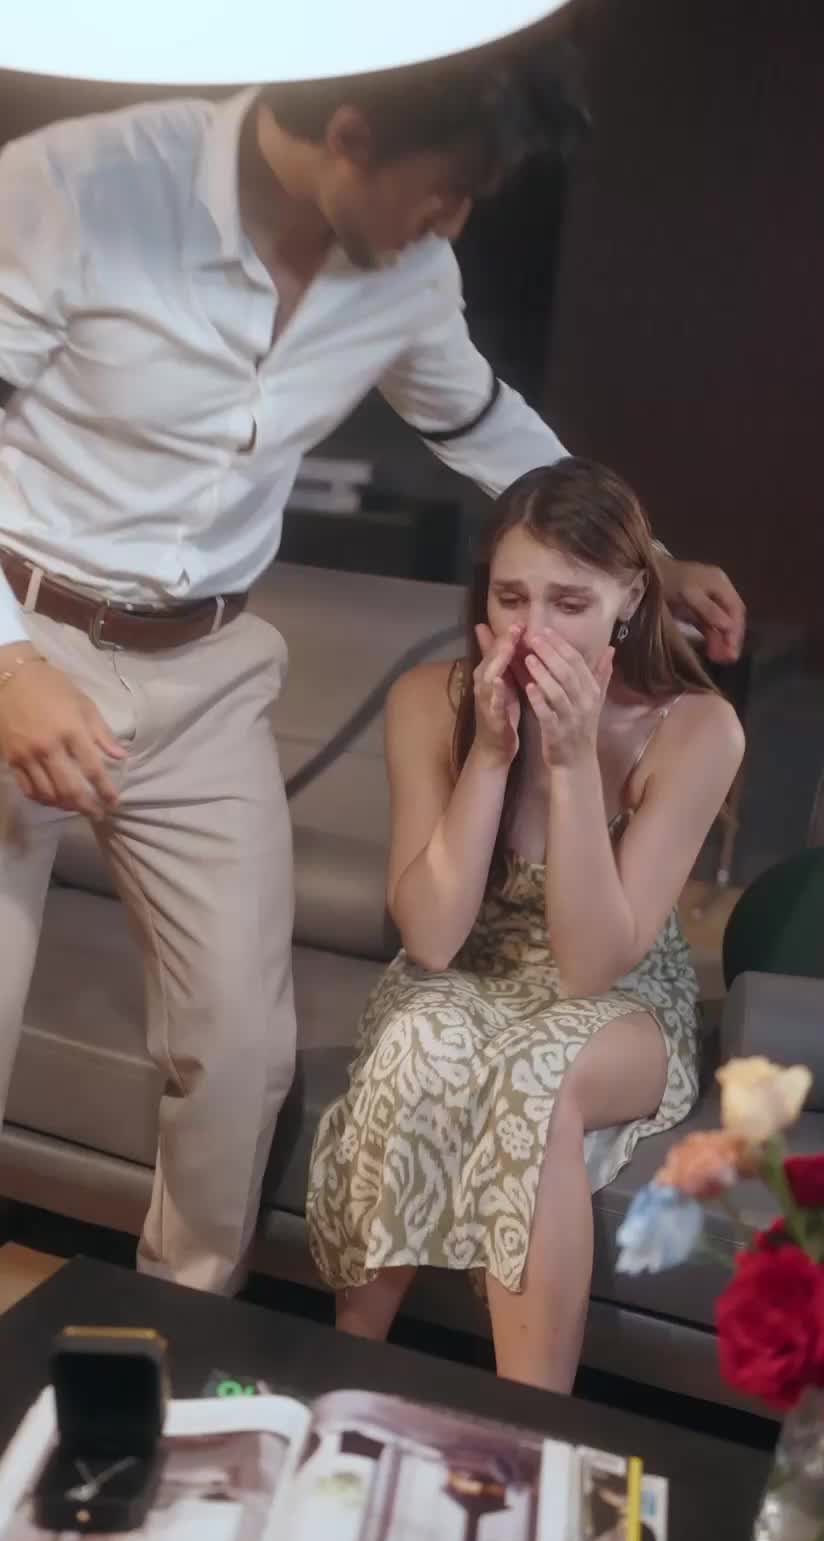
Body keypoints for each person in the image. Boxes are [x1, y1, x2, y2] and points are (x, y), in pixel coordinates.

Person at [0, 45, 745, 1429]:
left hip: (205, 672)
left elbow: (485, 424)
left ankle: (171, 1382)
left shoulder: (407, 276)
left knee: (239, 1059)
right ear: (350, 134)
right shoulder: (81, 186)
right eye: (446, 190)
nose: (453, 224)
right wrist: (5, 664)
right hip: (11, 645)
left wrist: (651, 562)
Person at [307, 458, 745, 1393]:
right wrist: (494, 754)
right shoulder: (427, 699)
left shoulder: (698, 729)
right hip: (470, 964)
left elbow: (590, 966)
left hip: (620, 993)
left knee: (539, 1072)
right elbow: (431, 940)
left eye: (570, 603)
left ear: (631, 599)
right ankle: (345, 1375)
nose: (534, 631)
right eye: (512, 598)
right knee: (418, 1038)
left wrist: (575, 764)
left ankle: (533, 1422)